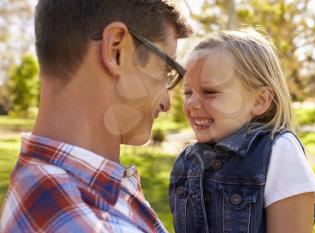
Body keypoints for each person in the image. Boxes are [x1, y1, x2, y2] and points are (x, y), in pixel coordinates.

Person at [0, 1, 192, 232]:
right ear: (117, 50)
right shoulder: (92, 224)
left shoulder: (37, 180)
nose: (167, 103)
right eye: (165, 70)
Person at [169, 28, 315, 233]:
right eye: (188, 92)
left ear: (260, 101)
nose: (192, 104)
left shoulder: (279, 152)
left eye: (210, 92)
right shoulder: (186, 162)